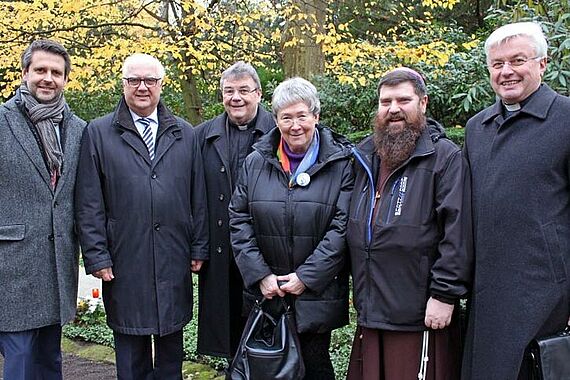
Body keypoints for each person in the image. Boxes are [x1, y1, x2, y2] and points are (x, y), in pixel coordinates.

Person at [75, 53, 208, 379]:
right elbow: (89, 201)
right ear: (123, 85)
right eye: (134, 80)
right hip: (124, 257)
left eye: (150, 80)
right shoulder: (99, 132)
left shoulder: (184, 134)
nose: (142, 87)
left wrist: (199, 246)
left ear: (162, 85)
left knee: (170, 353)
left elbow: (199, 195)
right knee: (131, 354)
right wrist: (96, 255)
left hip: (173, 255)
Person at [346, 68, 472, 380]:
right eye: (385, 101)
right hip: (372, 308)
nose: (393, 109)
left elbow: (458, 232)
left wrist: (445, 295)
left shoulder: (444, 158)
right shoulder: (365, 157)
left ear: (423, 103)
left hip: (421, 314)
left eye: (404, 99)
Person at [461, 22, 570, 380]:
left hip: (549, 298)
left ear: (541, 64)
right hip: (487, 294)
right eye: (497, 64)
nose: (506, 72)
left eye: (518, 60)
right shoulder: (477, 128)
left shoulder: (566, 119)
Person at [229, 77, 353, 379]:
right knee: (268, 369)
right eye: (286, 117)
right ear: (276, 120)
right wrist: (261, 275)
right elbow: (239, 219)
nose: (295, 125)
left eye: (302, 116)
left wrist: (306, 278)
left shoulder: (342, 162)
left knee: (315, 367)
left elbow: (343, 225)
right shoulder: (256, 161)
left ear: (316, 116)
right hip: (268, 292)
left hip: (315, 295)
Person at [0, 40, 85, 379]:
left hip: (55, 265)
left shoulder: (77, 129)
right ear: (24, 74)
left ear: (65, 79)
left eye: (56, 72)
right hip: (11, 267)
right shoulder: (3, 122)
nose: (48, 78)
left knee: (50, 358)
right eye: (40, 70)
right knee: (19, 358)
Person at [195, 61, 275, 358]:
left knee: (266, 330)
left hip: (265, 248)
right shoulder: (201, 136)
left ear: (259, 93)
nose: (236, 97)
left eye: (244, 90)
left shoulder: (279, 133)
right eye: (229, 91)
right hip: (220, 248)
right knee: (228, 333)